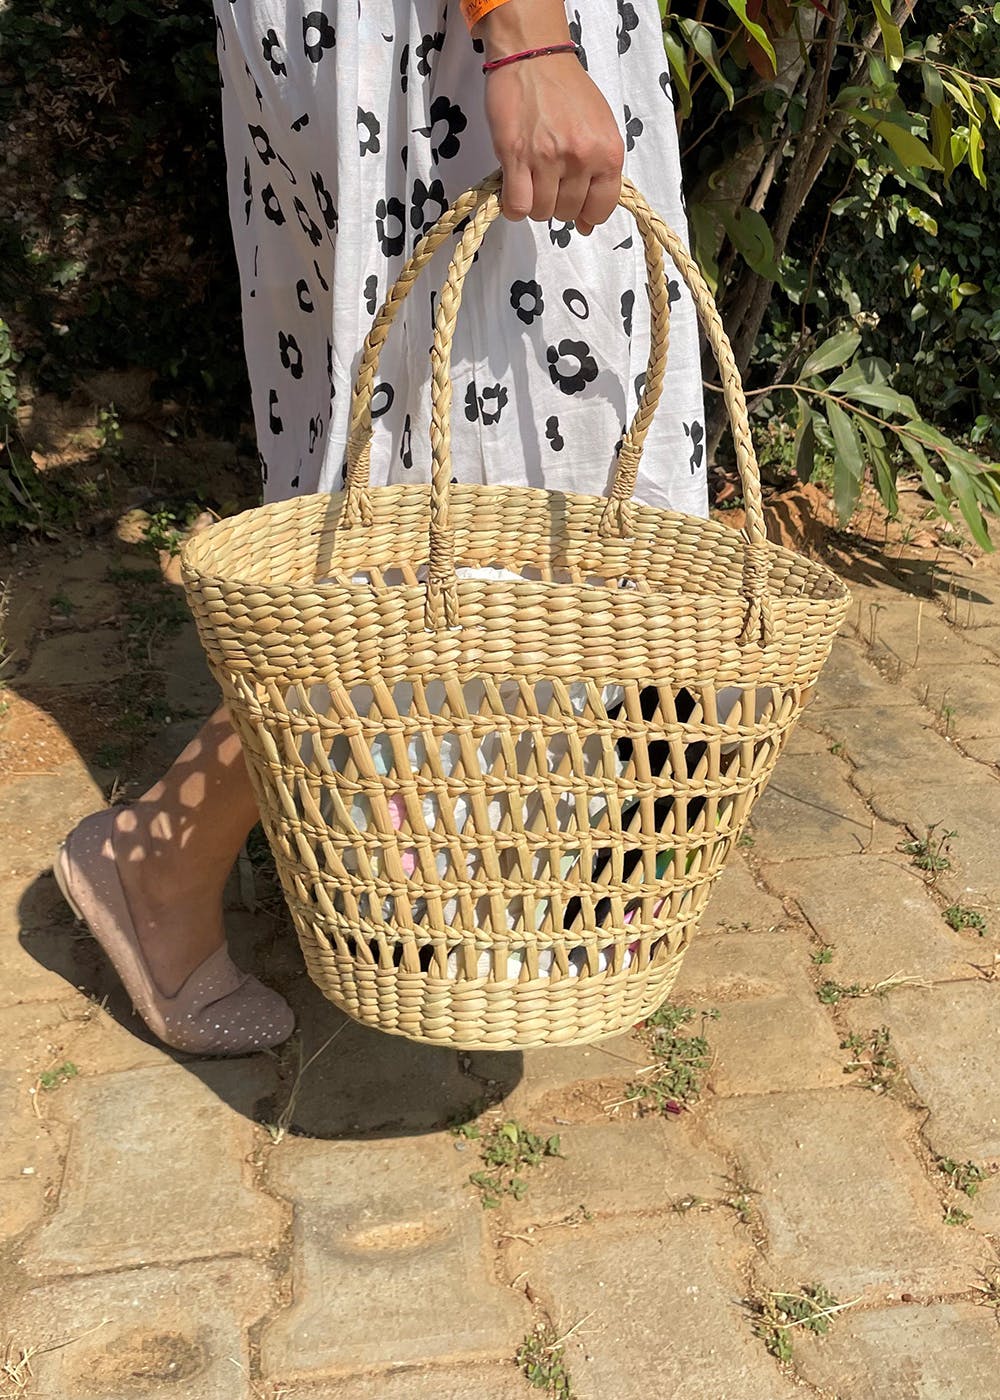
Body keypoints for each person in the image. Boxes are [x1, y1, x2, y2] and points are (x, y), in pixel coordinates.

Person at [54, 0, 707, 1054]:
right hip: (442, 36)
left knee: (417, 484)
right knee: (488, 502)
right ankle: (158, 861)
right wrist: (527, 32)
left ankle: (449, 855)